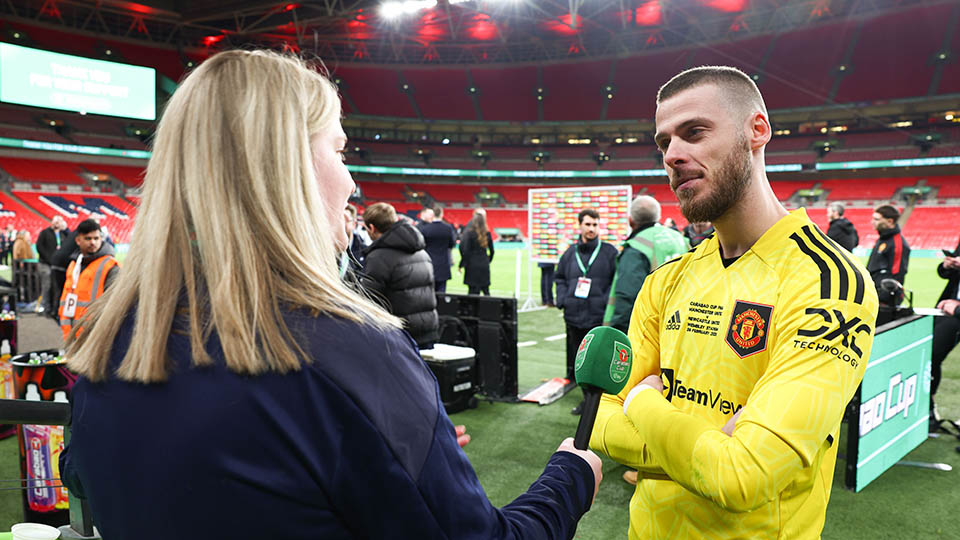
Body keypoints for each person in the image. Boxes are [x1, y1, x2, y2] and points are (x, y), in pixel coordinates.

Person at [59, 51, 601, 540]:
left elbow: (88, 474)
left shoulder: (109, 339)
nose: (350, 183)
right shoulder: (350, 352)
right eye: (340, 151)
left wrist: (384, 463)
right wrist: (570, 477)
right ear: (287, 165)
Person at [590, 66, 878, 539]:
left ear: (757, 130)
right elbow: (599, 421)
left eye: (695, 132)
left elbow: (743, 475)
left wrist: (642, 402)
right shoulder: (668, 279)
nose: (674, 156)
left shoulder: (829, 283)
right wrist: (707, 443)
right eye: (664, 144)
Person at [555, 208, 617, 415]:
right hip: (573, 315)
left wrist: (605, 304)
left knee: (596, 361)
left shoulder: (609, 252)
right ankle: (586, 400)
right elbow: (560, 277)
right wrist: (563, 299)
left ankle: (599, 403)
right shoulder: (569, 253)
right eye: (588, 224)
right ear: (580, 225)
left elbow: (615, 282)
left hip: (597, 316)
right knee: (578, 359)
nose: (592, 229)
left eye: (595, 225)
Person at [603, 195, 688, 334]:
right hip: (680, 325)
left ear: (631, 221)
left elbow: (627, 296)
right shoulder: (681, 239)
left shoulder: (637, 246)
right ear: (658, 217)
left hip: (649, 331)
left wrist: (617, 333)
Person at [360, 202, 439, 349]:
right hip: (427, 331)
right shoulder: (421, 251)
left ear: (371, 228)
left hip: (399, 336)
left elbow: (369, 299)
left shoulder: (379, 257)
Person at [58, 219, 119, 340]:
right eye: (88, 238)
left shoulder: (110, 266)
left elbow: (115, 306)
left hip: (96, 338)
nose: (93, 242)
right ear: (78, 240)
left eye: (96, 238)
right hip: (72, 336)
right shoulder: (73, 265)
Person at [931, 237, 960, 431]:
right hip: (952, 310)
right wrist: (948, 265)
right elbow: (947, 276)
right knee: (931, 356)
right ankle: (928, 412)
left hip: (956, 310)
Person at [866, 204, 910, 306]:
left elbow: (897, 276)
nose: (872, 222)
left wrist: (883, 299)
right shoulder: (883, 239)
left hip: (883, 302)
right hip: (872, 295)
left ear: (890, 221)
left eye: (876, 219)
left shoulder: (898, 243)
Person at [418, 206, 457, 293]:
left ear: (433, 215)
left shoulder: (425, 229)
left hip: (429, 264)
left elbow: (421, 246)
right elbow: (452, 244)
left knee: (429, 292)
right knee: (442, 291)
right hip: (443, 264)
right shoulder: (448, 229)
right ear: (442, 214)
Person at [37, 216, 69, 314]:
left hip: (58, 265)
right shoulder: (45, 233)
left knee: (57, 286)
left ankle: (54, 308)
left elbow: (71, 241)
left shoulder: (63, 234)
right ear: (52, 222)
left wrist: (66, 229)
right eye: (55, 222)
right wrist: (49, 259)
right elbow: (39, 247)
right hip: (45, 263)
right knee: (47, 285)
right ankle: (44, 306)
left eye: (59, 222)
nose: (57, 224)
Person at [459, 208, 494, 295]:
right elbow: (492, 251)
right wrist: (487, 260)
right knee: (486, 290)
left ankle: (473, 308)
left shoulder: (469, 233)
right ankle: (490, 308)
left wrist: (462, 264)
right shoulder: (487, 233)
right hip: (484, 264)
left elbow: (465, 251)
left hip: (472, 265)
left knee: (472, 292)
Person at [340, 203, 365, 279]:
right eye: (339, 220)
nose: (341, 224)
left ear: (354, 224)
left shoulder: (364, 252)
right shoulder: (325, 247)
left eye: (345, 220)